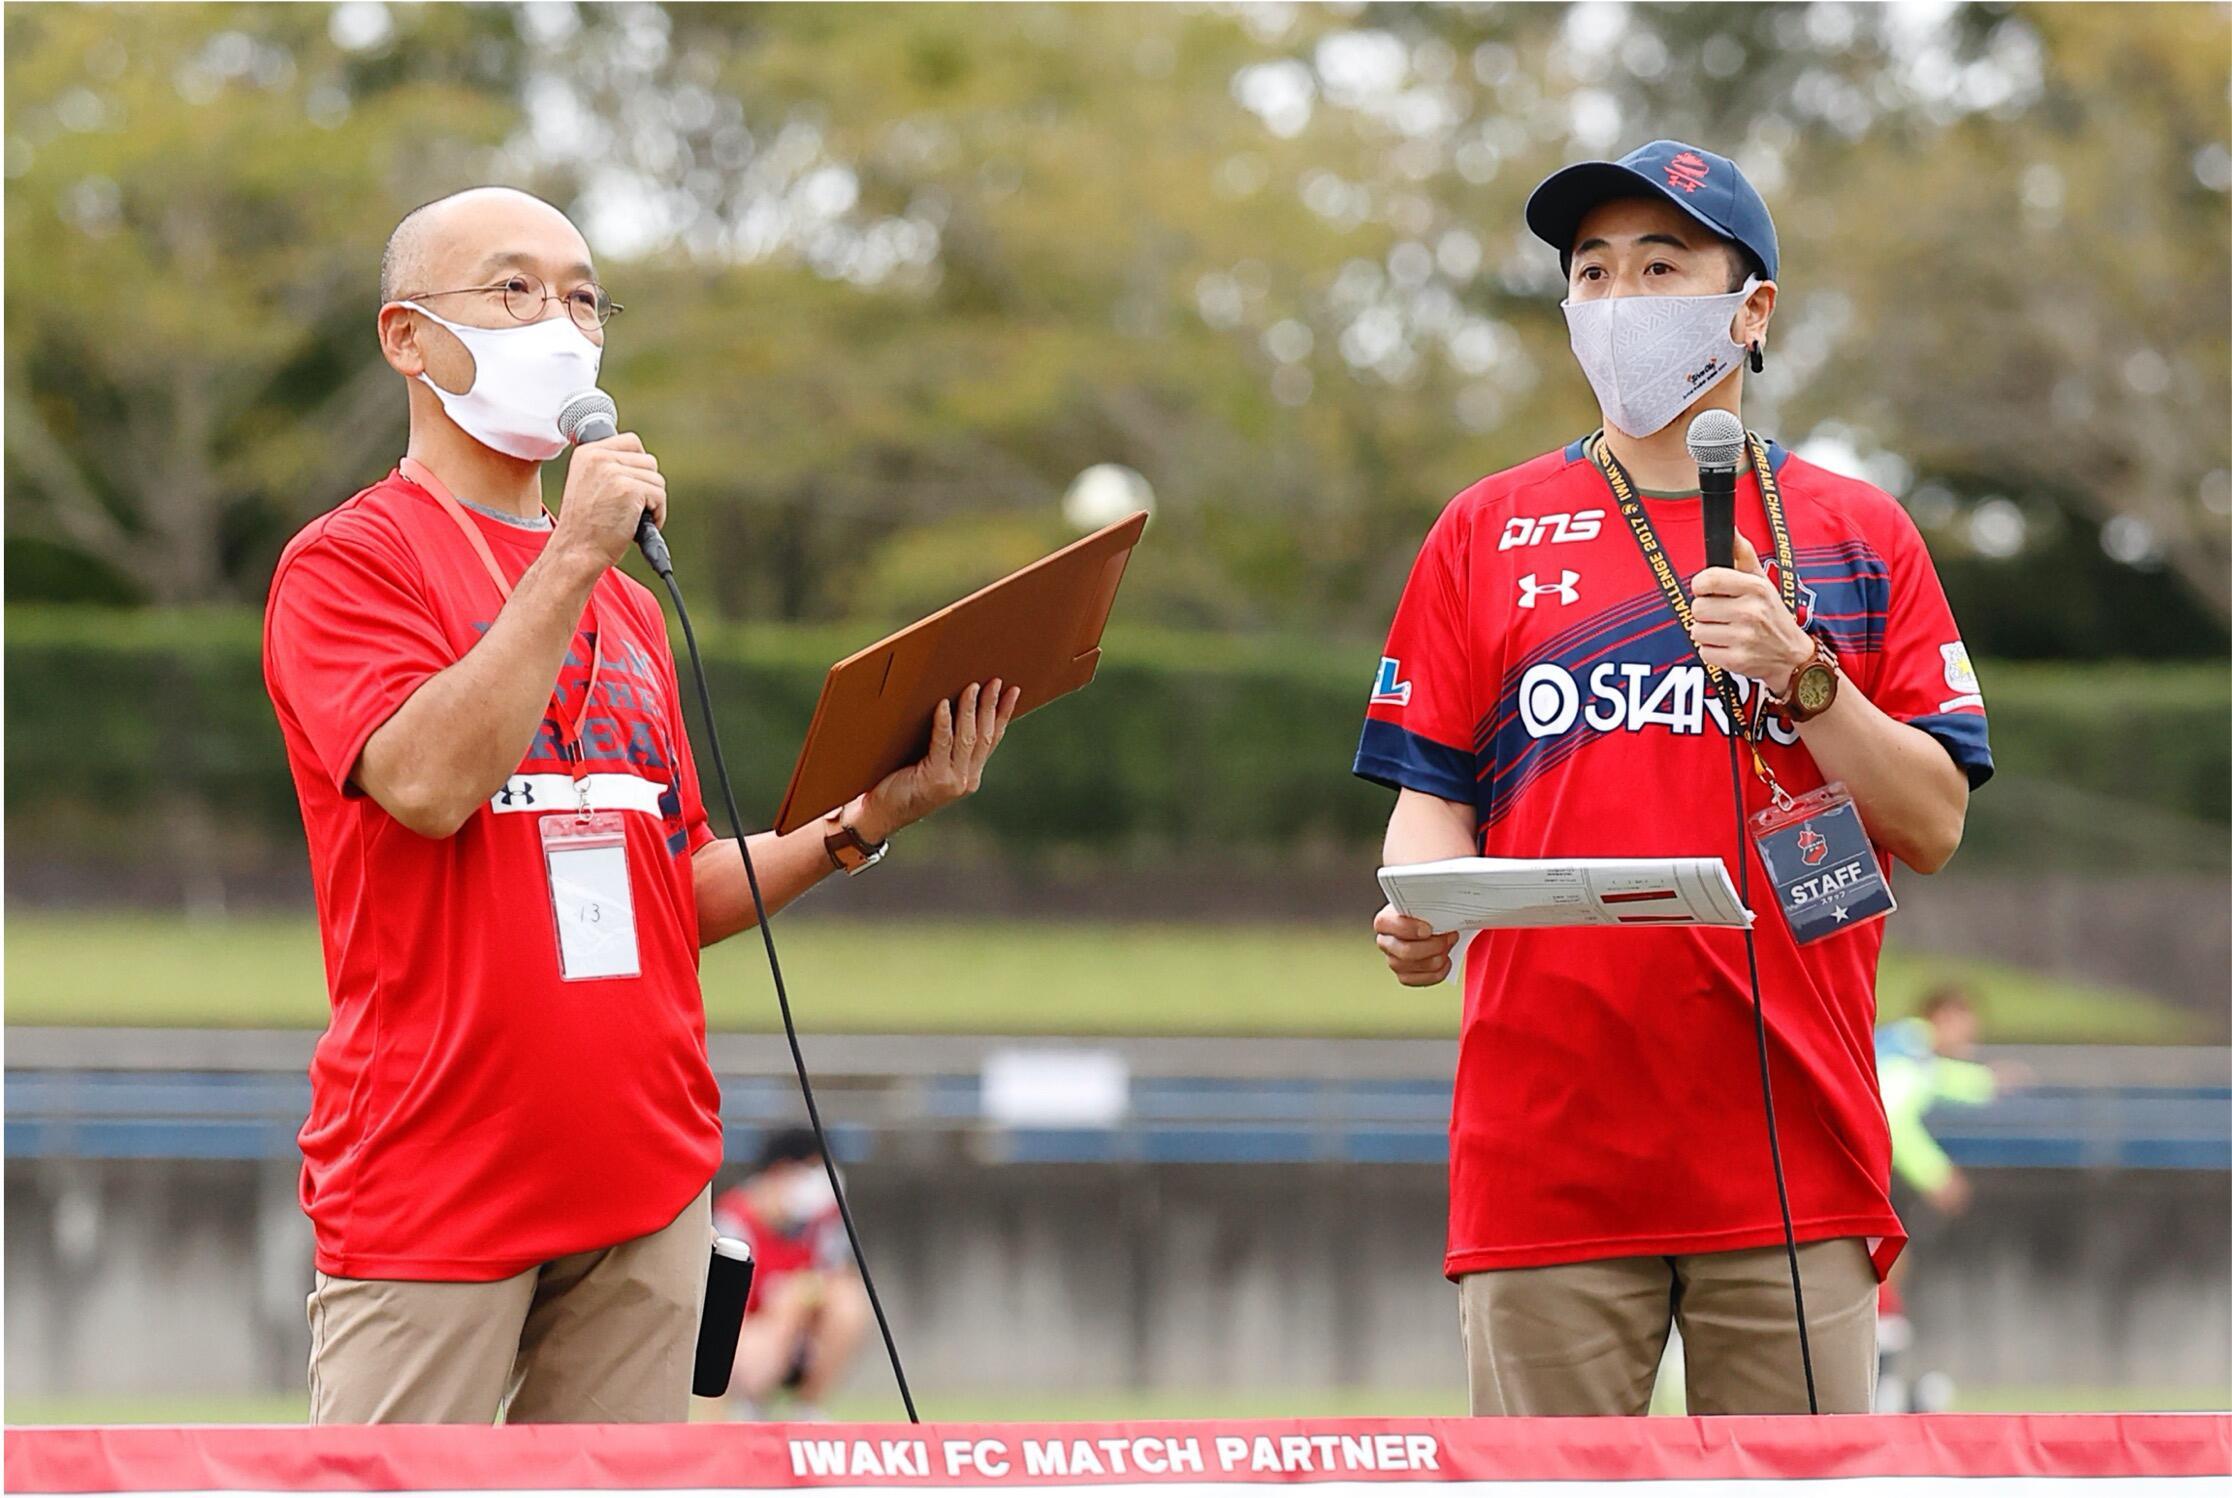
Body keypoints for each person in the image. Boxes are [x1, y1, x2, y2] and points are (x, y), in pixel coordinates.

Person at [262, 186, 1021, 1424]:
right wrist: (569, 557)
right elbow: (428, 785)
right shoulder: (351, 562)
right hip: (435, 1176)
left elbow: (667, 890)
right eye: (513, 289)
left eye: (580, 296)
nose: (558, 322)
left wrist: (865, 819)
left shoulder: (628, 609)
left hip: (647, 1181)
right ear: (405, 336)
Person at [1356, 141, 1994, 1416]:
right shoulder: (1482, 531)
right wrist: (1422, 908)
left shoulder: (1861, 532)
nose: (1620, 297)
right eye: (1592, 270)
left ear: (1751, 307)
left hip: (1797, 1147)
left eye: (1662, 266)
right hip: (1545, 1148)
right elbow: (1433, 799)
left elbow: (1933, 820)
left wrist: (1807, 677)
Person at [1874, 985, 2024, 1412]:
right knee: (1884, 1268)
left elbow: (1939, 1079)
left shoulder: (1908, 1046)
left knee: (1887, 1266)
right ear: (1942, 1015)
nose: (1969, 1040)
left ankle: (1879, 1382)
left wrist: (1988, 1083)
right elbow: (1894, 1115)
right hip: (1864, 1173)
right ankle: (1878, 1387)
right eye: (1965, 1027)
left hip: (1861, 1169)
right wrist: (1937, 1176)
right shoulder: (1908, 1051)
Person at [711, 1128, 870, 1419]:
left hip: (802, 1333)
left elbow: (835, 1277)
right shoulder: (734, 1221)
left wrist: (800, 1294)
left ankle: (807, 1408)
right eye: (811, 1169)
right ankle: (748, 1407)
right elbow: (720, 1316)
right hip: (749, 1337)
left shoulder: (822, 1222)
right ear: (780, 1171)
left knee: (849, 1302)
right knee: (782, 1309)